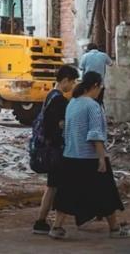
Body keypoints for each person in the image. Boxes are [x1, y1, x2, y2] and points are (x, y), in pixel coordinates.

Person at [50, 71, 130, 240]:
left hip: (71, 155)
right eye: (100, 87)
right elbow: (95, 133)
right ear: (95, 85)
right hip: (90, 157)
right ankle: (115, 229)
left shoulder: (72, 103)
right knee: (106, 192)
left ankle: (56, 227)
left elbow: (67, 129)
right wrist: (102, 157)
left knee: (67, 192)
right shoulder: (93, 106)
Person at [32, 65, 80, 234]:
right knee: (57, 187)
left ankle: (41, 221)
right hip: (56, 149)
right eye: (72, 81)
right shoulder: (59, 100)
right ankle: (52, 224)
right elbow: (56, 126)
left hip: (48, 148)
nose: (73, 85)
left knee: (51, 186)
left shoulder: (49, 96)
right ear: (65, 80)